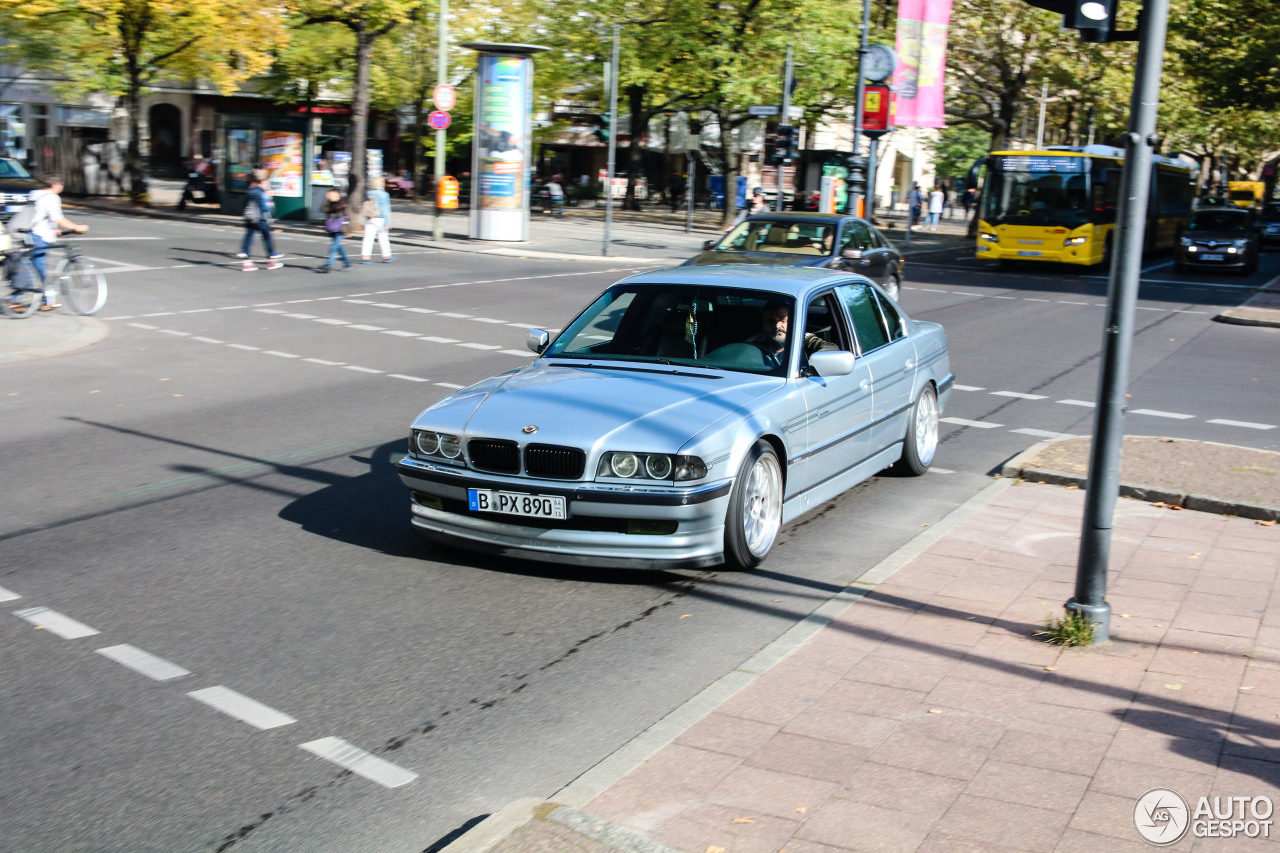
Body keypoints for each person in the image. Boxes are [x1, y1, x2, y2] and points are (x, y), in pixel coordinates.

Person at [16, 172, 88, 311]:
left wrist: (53, 231)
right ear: (55, 184)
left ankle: (44, 300)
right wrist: (76, 227)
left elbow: (39, 216)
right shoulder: (51, 197)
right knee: (38, 270)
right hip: (38, 236)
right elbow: (57, 218)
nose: (61, 186)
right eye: (61, 184)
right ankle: (18, 299)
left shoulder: (34, 194)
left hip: (30, 233)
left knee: (32, 267)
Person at [746, 300, 837, 369]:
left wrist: (814, 362)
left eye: (783, 320)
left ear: (792, 323)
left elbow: (831, 348)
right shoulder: (754, 344)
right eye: (771, 321)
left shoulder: (802, 338)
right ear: (763, 326)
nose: (777, 326)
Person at [237, 176, 282, 271]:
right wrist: (270, 202)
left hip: (250, 218)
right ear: (261, 182)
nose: (268, 185)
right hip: (260, 219)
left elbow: (245, 205)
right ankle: (271, 259)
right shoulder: (260, 192)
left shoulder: (250, 192)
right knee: (267, 238)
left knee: (249, 237)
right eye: (267, 183)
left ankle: (246, 261)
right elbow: (264, 208)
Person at [359, 177, 394, 264]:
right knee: (383, 237)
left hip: (369, 217)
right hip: (380, 218)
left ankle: (365, 257)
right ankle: (387, 256)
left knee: (368, 238)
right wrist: (388, 222)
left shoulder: (367, 193)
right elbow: (386, 209)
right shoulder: (384, 194)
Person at [319, 188, 351, 273]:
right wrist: (327, 200)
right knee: (339, 247)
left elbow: (347, 217)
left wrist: (347, 231)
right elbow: (323, 209)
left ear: (337, 194)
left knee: (333, 247)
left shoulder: (343, 203)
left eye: (332, 194)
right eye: (329, 195)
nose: (330, 196)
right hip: (332, 228)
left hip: (341, 229)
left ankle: (328, 265)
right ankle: (348, 263)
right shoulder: (329, 203)